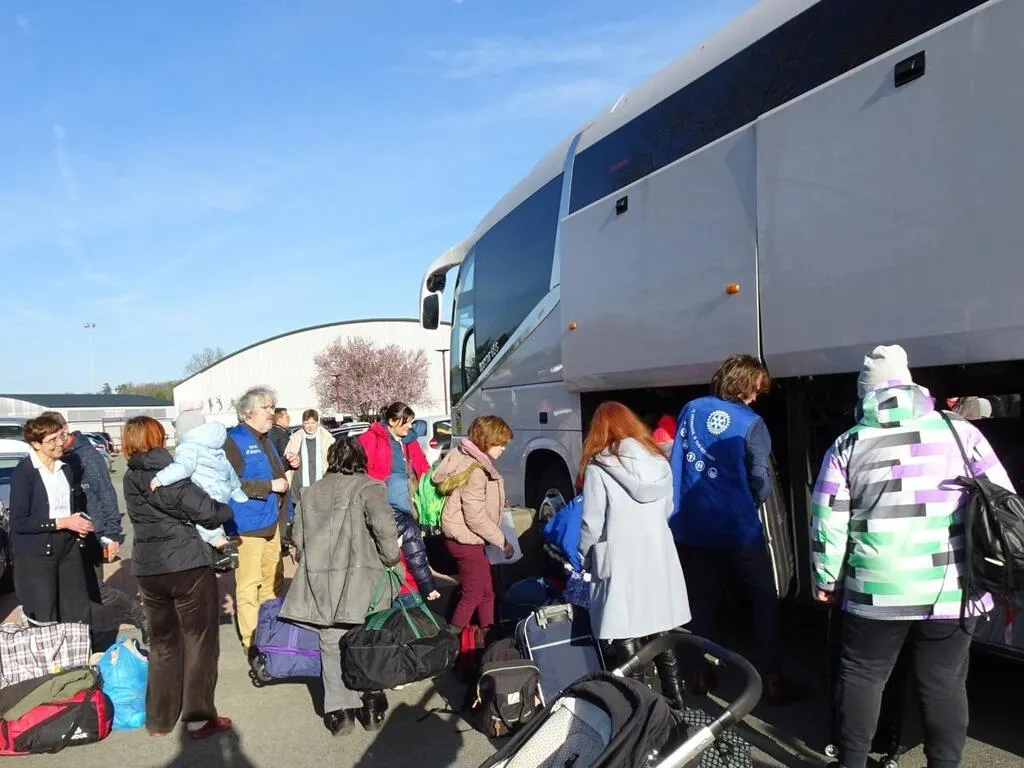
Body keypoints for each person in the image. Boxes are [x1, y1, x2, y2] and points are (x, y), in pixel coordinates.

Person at [812, 345, 1014, 768]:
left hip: (875, 589)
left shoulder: (848, 443)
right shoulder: (959, 431)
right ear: (910, 385)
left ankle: (852, 762)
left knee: (863, 676)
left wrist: (827, 579)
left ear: (864, 393)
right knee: (943, 683)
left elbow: (828, 521)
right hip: (951, 587)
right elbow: (1003, 500)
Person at [669, 353, 805, 703]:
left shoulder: (691, 409)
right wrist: (749, 502)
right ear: (742, 383)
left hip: (693, 523)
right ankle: (771, 676)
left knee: (704, 599)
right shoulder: (751, 423)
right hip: (736, 527)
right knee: (764, 597)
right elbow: (761, 479)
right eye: (755, 389)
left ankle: (700, 672)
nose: (757, 397)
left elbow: (677, 461)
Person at [280, 437, 402, 736]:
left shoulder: (311, 492)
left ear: (331, 460)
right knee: (368, 642)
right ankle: (370, 707)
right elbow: (385, 529)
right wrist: (391, 558)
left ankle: (340, 712)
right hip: (364, 577)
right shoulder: (370, 487)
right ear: (361, 459)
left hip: (322, 579)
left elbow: (298, 538)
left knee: (331, 642)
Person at [122, 416, 234, 739]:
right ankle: (198, 717)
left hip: (148, 567)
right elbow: (206, 510)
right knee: (199, 640)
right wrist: (226, 510)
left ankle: (159, 719)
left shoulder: (129, 477)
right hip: (186, 564)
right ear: (157, 438)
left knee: (162, 643)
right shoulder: (171, 473)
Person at [578, 402, 691, 709]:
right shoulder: (658, 461)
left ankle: (639, 704)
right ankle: (675, 697)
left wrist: (585, 555)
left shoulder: (599, 468)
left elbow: (592, 522)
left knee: (623, 628)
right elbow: (668, 508)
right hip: (657, 552)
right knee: (660, 623)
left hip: (620, 556)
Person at [40, 412, 150, 641]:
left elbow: (106, 494)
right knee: (72, 593)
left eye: (58, 436)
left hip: (92, 533)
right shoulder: (56, 458)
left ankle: (139, 613)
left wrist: (111, 534)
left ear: (65, 430)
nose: (56, 442)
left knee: (95, 590)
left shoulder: (88, 457)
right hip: (66, 533)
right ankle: (83, 639)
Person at [223, 387, 298, 653]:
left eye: (272, 407)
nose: (271, 413)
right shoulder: (234, 440)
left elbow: (267, 472)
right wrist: (268, 486)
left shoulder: (265, 439)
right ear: (247, 413)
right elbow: (228, 482)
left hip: (271, 522)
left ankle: (270, 632)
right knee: (248, 584)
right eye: (265, 408)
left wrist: (287, 464)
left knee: (273, 581)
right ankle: (251, 641)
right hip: (248, 527)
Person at [8, 414, 95, 624]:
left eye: (60, 437)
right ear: (36, 444)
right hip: (36, 555)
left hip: (68, 548)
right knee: (44, 615)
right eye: (52, 440)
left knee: (77, 613)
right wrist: (62, 522)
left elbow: (70, 508)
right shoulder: (24, 473)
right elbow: (19, 522)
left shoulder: (65, 469)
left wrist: (79, 522)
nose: (59, 443)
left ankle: (79, 646)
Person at [432, 415, 515, 633]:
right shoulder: (476, 470)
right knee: (474, 594)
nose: (503, 448)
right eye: (500, 443)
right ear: (487, 440)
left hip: (462, 537)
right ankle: (451, 639)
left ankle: (488, 634)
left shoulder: (463, 456)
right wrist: (503, 542)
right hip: (466, 540)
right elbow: (475, 517)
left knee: (486, 592)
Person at [360, 402, 438, 601]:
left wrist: (429, 488)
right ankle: (402, 589)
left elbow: (422, 466)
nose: (410, 426)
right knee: (400, 541)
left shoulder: (409, 440)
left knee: (410, 539)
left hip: (408, 496)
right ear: (392, 421)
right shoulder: (370, 439)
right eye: (406, 422)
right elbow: (362, 470)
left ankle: (408, 588)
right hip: (382, 498)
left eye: (411, 422)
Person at [151, 410, 243, 570]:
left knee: (204, 527)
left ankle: (225, 548)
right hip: (221, 489)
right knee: (213, 523)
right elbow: (229, 469)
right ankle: (220, 556)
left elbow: (183, 467)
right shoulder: (213, 446)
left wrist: (160, 478)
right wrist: (236, 489)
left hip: (205, 489)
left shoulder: (188, 447)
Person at [283, 409, 335, 507]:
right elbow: (286, 462)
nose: (310, 426)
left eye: (313, 423)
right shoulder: (295, 438)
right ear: (302, 423)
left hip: (322, 485)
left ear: (317, 423)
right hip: (299, 486)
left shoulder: (327, 439)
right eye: (307, 423)